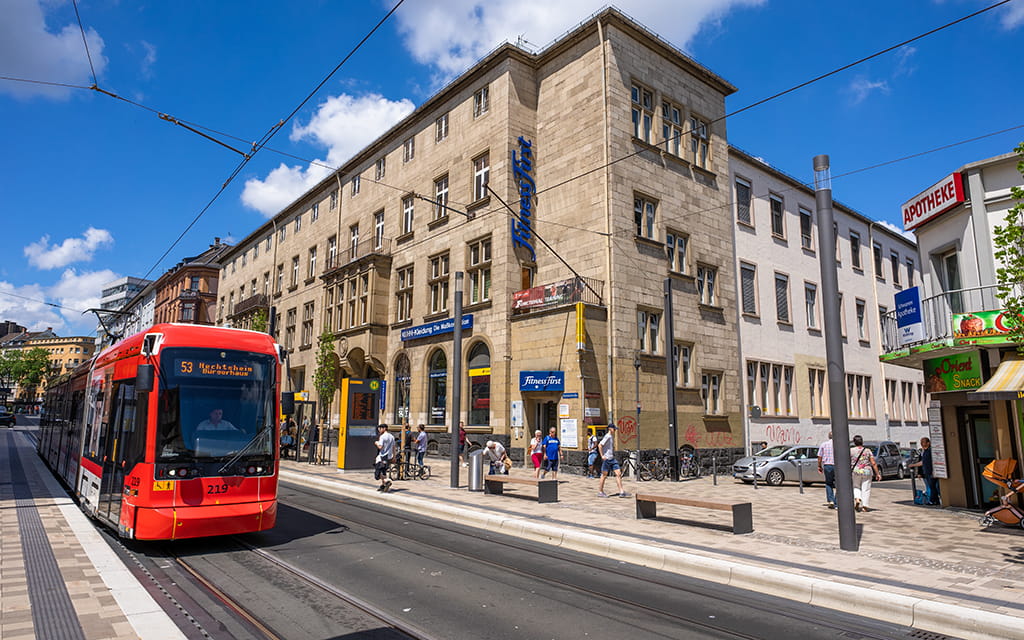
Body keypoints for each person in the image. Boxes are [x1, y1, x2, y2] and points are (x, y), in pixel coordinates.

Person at [849, 435, 881, 512]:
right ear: (862, 442)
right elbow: (873, 463)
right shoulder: (867, 451)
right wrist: (877, 473)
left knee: (856, 486)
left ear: (854, 442)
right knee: (866, 488)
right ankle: (865, 506)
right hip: (867, 471)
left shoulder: (850, 450)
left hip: (856, 471)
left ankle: (857, 498)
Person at [597, 424, 628, 497]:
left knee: (618, 474)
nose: (615, 430)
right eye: (614, 429)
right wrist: (602, 456)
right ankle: (600, 492)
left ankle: (621, 491)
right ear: (610, 429)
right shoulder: (607, 436)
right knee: (604, 476)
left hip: (612, 459)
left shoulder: (611, 436)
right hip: (607, 459)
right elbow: (600, 445)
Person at [910, 437, 940, 505]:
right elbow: (922, 462)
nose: (921, 444)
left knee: (933, 487)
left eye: (923, 442)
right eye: (921, 442)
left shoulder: (930, 451)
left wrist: (933, 470)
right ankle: (935, 500)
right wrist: (914, 466)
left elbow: (932, 461)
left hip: (931, 472)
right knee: (931, 487)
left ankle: (933, 500)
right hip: (926, 472)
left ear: (928, 443)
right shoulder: (924, 452)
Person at [817, 431, 836, 509]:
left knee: (828, 483)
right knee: (840, 484)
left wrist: (819, 466)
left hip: (827, 465)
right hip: (837, 466)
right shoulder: (838, 444)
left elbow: (819, 457)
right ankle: (836, 501)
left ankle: (831, 500)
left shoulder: (824, 444)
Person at [374, 424, 396, 492]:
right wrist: (394, 457)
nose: (379, 430)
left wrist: (376, 443)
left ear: (384, 428)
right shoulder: (391, 436)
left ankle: (387, 481)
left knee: (377, 473)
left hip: (382, 457)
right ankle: (383, 485)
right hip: (389, 457)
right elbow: (394, 447)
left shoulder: (382, 437)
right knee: (383, 471)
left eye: (380, 429)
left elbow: (380, 447)